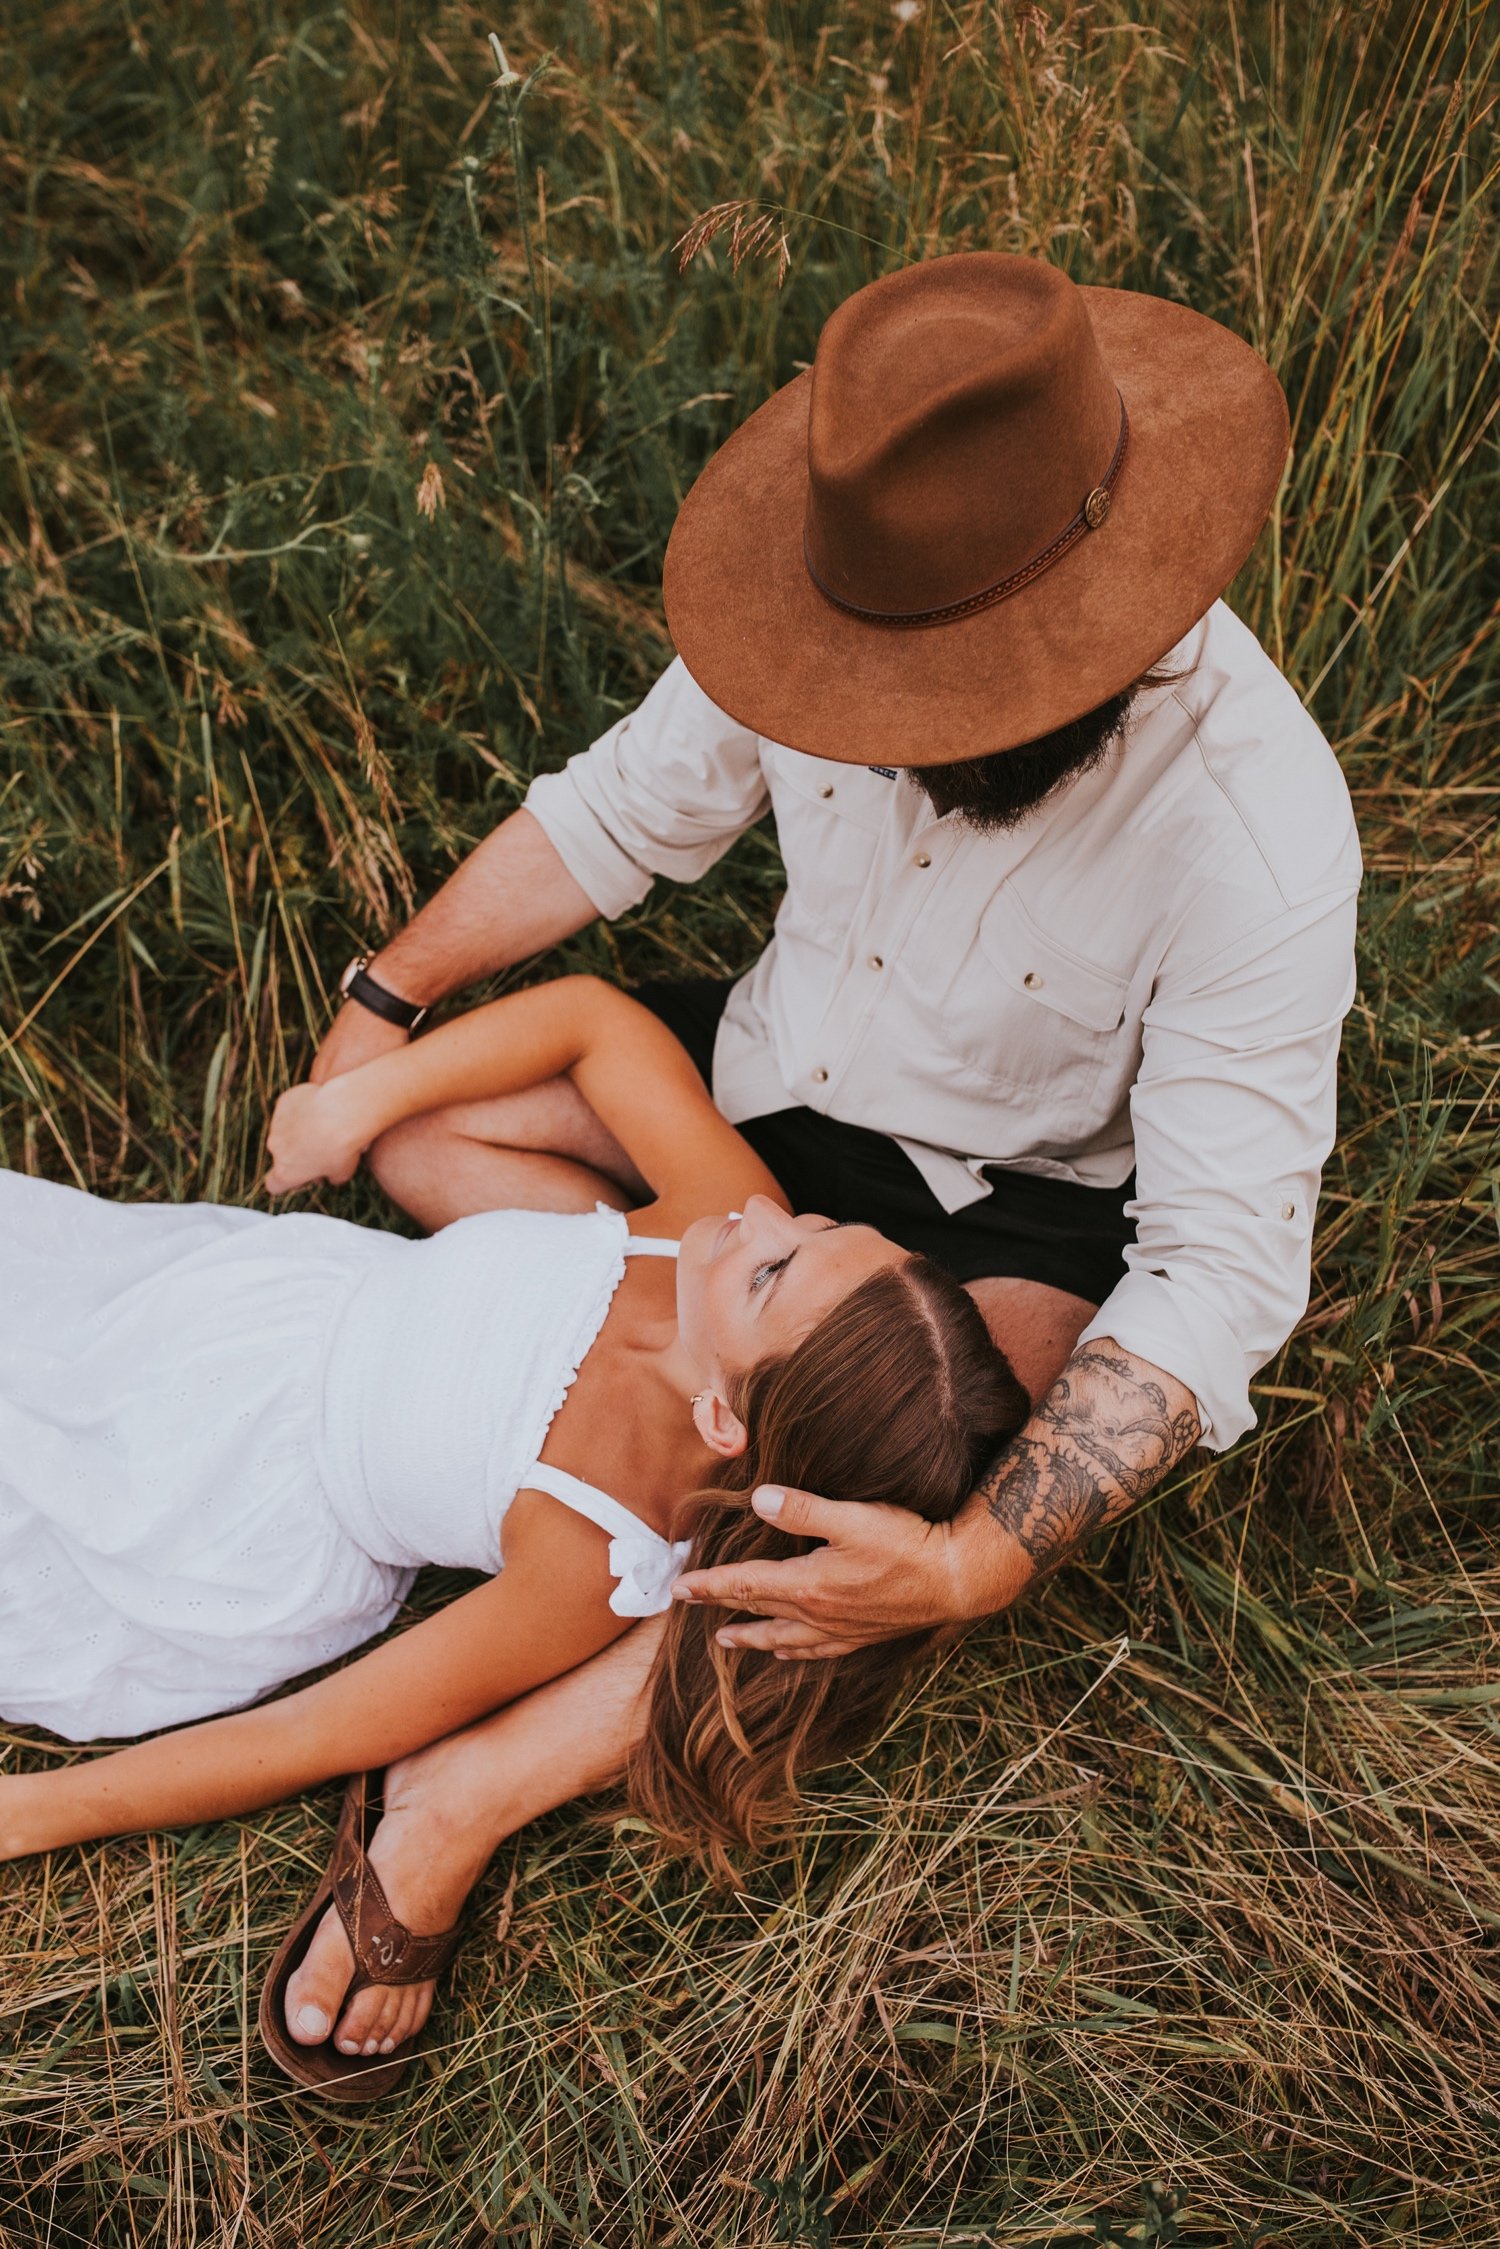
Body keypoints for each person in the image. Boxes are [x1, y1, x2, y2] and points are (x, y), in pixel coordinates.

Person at [272, 249, 1361, 2071]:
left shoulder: (1256, 826)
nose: (909, 736)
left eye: (971, 701)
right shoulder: (819, 595)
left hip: (1009, 1194)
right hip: (779, 1074)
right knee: (431, 1126)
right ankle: (659, 1397)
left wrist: (969, 1571)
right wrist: (387, 997)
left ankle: (458, 1794)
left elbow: (1220, 1265)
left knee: (876, 1518)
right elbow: (626, 811)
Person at [0, 974, 1028, 2095]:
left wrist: (34, 1813)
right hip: (256, 1307)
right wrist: (360, 1100)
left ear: (726, 1416)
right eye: (827, 1224)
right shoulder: (714, 1219)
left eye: (778, 1264)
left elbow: (319, 1730)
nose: (770, 1213)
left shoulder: (592, 1546)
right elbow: (594, 1017)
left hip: (224, 1499)